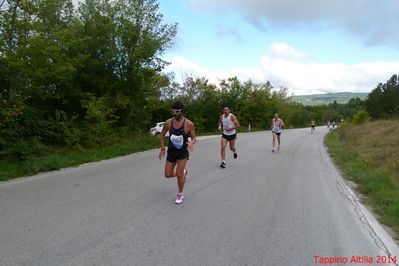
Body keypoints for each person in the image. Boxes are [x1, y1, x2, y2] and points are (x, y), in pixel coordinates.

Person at [159, 101, 196, 204]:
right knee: (167, 174)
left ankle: (180, 194)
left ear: (182, 111)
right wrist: (162, 148)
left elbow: (194, 137)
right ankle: (183, 172)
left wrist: (191, 143)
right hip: (171, 151)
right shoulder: (168, 122)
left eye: (177, 111)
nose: (174, 113)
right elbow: (162, 135)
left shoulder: (188, 124)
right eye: (173, 111)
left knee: (179, 175)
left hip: (182, 153)